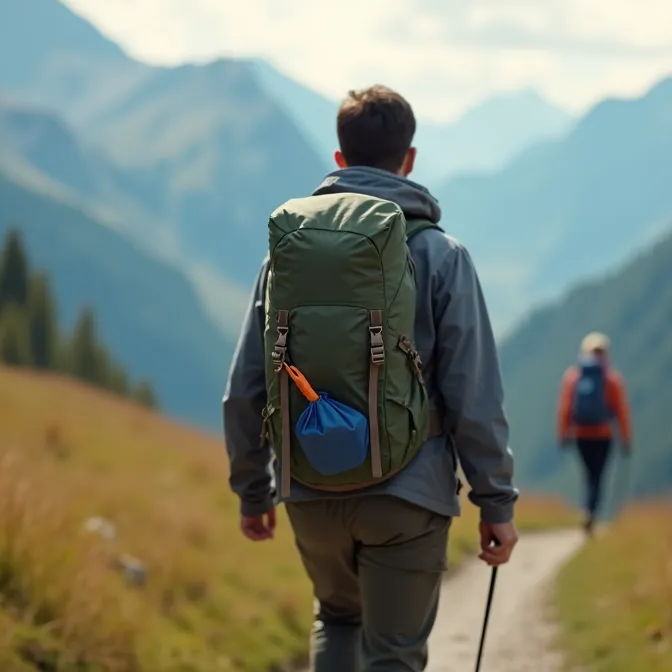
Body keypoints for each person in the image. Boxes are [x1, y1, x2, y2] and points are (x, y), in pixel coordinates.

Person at [222, 84, 520, 672]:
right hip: (408, 492)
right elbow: (473, 393)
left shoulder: (285, 257)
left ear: (339, 158)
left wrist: (253, 490)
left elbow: (247, 387)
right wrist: (495, 501)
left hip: (309, 483)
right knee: (394, 655)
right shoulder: (441, 254)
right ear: (409, 158)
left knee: (337, 619)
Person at [556, 331, 632, 536]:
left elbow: (565, 408)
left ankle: (587, 509)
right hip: (603, 434)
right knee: (598, 476)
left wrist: (563, 433)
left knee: (588, 474)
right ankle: (591, 511)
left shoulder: (573, 377)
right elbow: (621, 411)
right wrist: (626, 438)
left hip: (580, 434)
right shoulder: (612, 379)